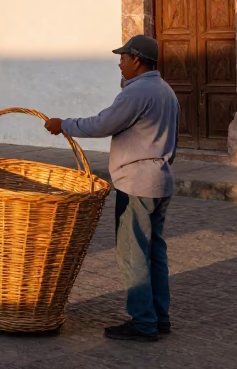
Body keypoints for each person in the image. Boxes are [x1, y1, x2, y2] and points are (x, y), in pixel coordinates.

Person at [43, 34, 179, 342]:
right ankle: (160, 316)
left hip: (137, 185)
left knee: (133, 254)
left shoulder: (136, 92)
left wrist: (63, 124)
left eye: (123, 58)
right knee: (154, 252)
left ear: (137, 60)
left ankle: (144, 322)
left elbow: (102, 124)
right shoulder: (166, 91)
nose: (120, 63)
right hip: (160, 180)